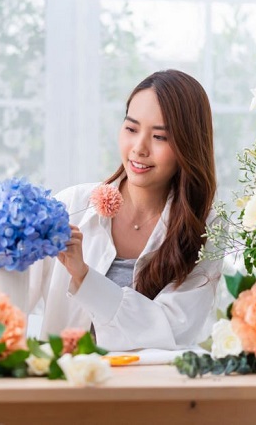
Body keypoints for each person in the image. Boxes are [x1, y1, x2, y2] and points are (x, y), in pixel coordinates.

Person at [27, 69, 222, 352]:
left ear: (188, 145)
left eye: (160, 137)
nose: (139, 148)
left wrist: (83, 275)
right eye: (131, 129)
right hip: (67, 388)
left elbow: (168, 331)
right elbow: (9, 300)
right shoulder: (72, 206)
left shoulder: (205, 230)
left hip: (152, 392)